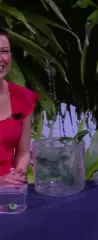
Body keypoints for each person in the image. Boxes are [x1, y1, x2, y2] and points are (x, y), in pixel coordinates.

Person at [0, 28, 39, 184]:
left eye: (4, 51)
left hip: (10, 192)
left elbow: (23, 153)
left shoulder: (23, 98)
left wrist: (18, 173)